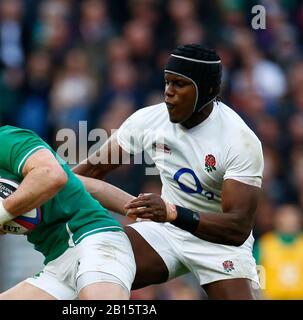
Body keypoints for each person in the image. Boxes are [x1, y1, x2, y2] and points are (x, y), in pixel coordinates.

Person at [74, 44, 264, 299]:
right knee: (93, 268)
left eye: (179, 84)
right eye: (166, 82)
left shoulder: (240, 141)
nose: (168, 93)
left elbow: (238, 227)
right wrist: (39, 190)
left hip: (219, 243)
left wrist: (174, 213)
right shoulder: (148, 120)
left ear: (208, 90)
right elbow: (91, 171)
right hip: (167, 231)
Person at [0, 93, 135, 300]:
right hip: (58, 262)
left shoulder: (3, 140)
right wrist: (135, 207)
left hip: (93, 240)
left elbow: (53, 175)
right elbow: (79, 183)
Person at [254, 204, 303, 300]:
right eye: (285, 218)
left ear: (300, 221)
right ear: (277, 220)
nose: (289, 222)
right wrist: (259, 295)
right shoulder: (264, 245)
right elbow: (253, 272)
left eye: (292, 218)